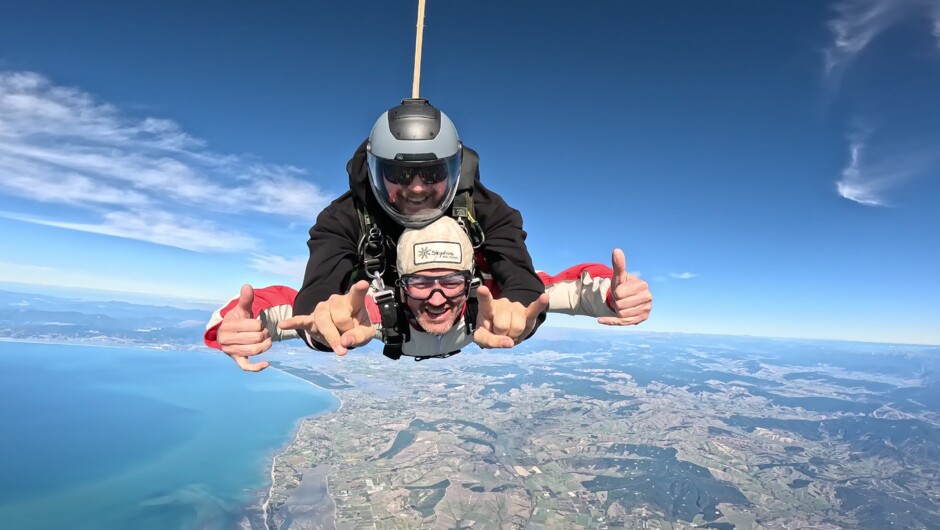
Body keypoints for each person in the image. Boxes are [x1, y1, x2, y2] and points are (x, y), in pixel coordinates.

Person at [206, 217, 653, 371]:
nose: (437, 298)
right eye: (421, 282)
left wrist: (615, 296)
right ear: (399, 284)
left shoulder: (494, 303)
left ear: (471, 280)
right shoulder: (368, 310)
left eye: (451, 281)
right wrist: (233, 328)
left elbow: (566, 288)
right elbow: (283, 306)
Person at [293, 98, 547, 356]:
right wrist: (325, 322)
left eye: (432, 173)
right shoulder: (345, 218)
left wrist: (516, 311)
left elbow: (520, 276)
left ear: (453, 170)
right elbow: (318, 287)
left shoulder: (485, 211)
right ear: (376, 171)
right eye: (398, 173)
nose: (416, 187)